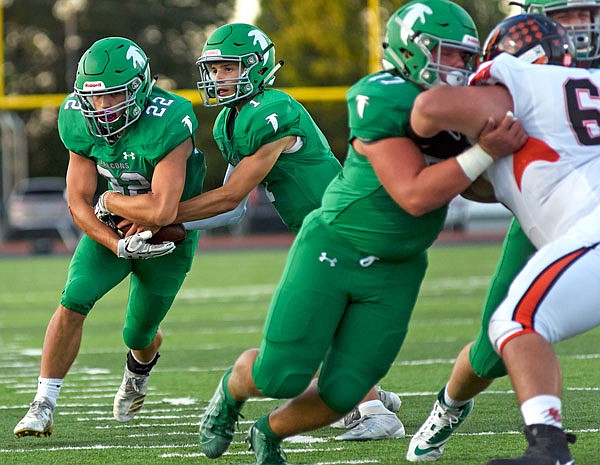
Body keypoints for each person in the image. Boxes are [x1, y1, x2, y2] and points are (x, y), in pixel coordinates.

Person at [196, 2, 525, 464]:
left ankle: (268, 433)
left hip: (398, 265)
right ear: (408, 51)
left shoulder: (463, 104)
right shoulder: (380, 94)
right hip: (334, 246)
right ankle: (233, 389)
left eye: (463, 56)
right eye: (443, 53)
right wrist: (484, 150)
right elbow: (413, 194)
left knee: (344, 391)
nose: (456, 66)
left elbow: (473, 185)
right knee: (280, 377)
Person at [176, 22, 405, 442]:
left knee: (319, 316)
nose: (220, 78)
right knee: (322, 315)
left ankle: (372, 407)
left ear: (256, 67)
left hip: (344, 223)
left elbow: (228, 197)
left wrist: (161, 217)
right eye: (216, 69)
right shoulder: (233, 121)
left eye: (230, 68)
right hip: (318, 228)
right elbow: (234, 211)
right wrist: (173, 221)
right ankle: (368, 396)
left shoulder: (271, 111)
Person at [406, 2, 600, 461]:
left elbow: (429, 107)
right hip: (573, 220)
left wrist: (442, 138)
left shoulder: (518, 78)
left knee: (515, 322)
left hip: (587, 226)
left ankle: (549, 449)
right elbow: (508, 185)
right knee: (509, 332)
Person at [13, 37, 206, 437]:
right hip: (114, 227)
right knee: (74, 298)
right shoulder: (76, 118)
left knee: (137, 332)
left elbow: (163, 210)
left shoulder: (171, 119)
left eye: (114, 97)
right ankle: (43, 403)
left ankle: (138, 371)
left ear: (139, 89)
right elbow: (77, 202)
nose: (102, 109)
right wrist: (115, 243)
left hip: (170, 237)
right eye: (94, 99)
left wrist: (113, 199)